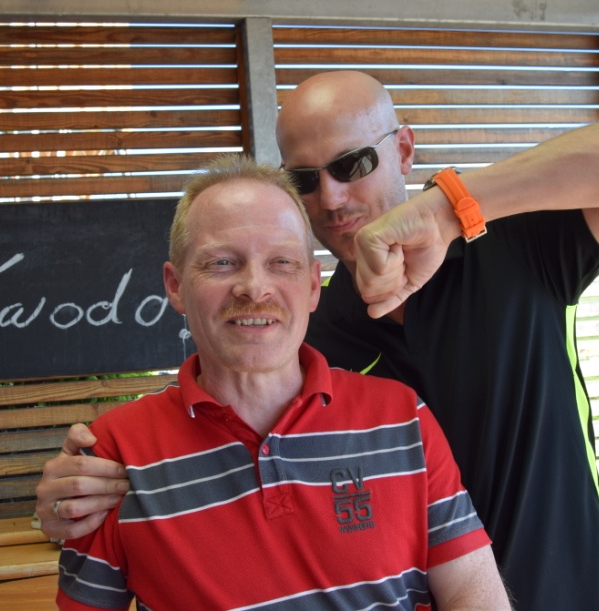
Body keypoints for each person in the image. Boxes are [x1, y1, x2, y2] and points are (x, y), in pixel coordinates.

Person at [39, 71, 599, 610]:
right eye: (305, 180)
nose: (332, 199)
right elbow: (216, 441)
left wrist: (452, 207)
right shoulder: (310, 334)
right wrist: (87, 485)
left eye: (352, 164)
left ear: (402, 148)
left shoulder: (511, 246)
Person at [56, 155, 511, 610]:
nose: (255, 288)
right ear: (175, 286)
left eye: (282, 262)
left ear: (313, 286)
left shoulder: (402, 417)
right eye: (222, 262)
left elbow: (472, 592)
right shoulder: (114, 453)